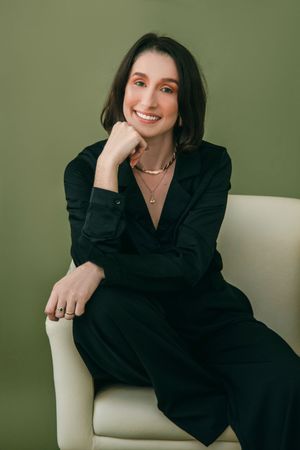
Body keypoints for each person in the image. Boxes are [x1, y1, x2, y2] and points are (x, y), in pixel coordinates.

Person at [45, 33, 300, 449]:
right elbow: (88, 250)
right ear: (122, 91)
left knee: (286, 379)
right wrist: (108, 165)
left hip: (205, 317)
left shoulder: (212, 163)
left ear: (183, 107)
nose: (148, 101)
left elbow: (189, 264)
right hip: (132, 329)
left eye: (167, 89)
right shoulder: (85, 168)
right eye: (139, 83)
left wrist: (103, 267)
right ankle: (211, 397)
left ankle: (196, 382)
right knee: (105, 308)